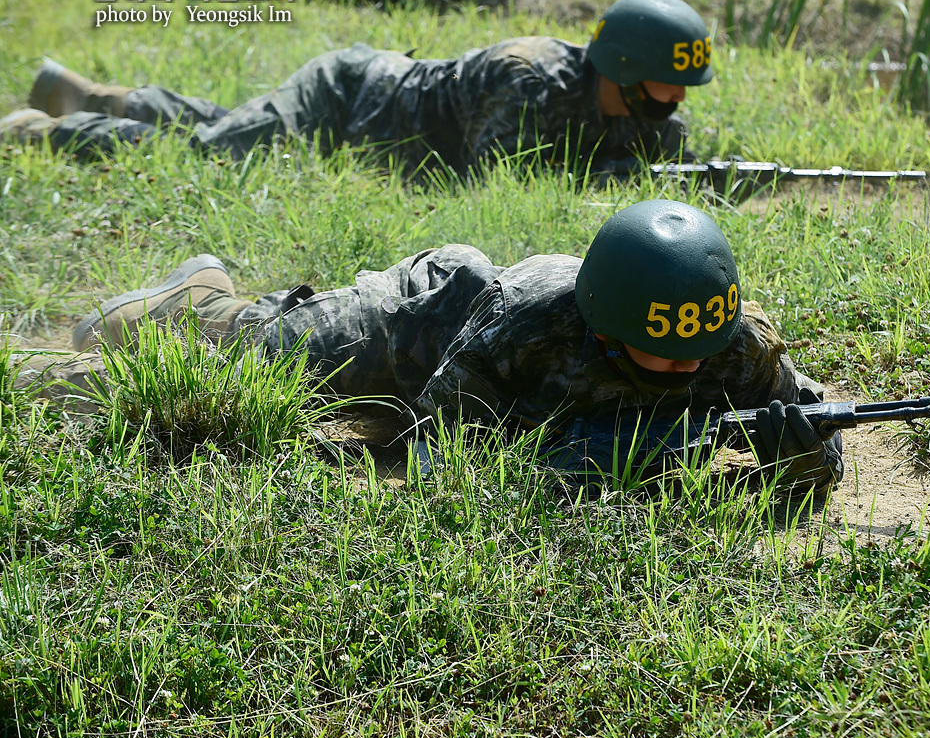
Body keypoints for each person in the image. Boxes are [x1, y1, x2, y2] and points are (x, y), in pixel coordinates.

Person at [25, 200, 843, 495]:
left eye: (703, 346)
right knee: (263, 361)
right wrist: (619, 459)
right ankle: (196, 303)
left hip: (496, 378)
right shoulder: (527, 321)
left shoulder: (733, 338)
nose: (690, 367)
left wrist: (794, 453)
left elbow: (822, 439)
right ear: (603, 325)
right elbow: (445, 459)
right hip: (431, 322)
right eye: (663, 352)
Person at [0, 0, 713, 178]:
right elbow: (493, 177)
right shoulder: (528, 78)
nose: (676, 100)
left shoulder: (648, 120)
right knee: (215, 154)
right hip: (346, 99)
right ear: (622, 65)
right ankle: (46, 133)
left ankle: (84, 94)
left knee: (228, 123)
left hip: (362, 123)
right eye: (667, 83)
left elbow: (664, 153)